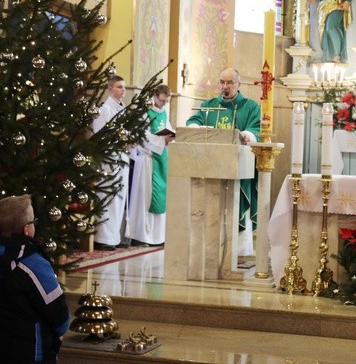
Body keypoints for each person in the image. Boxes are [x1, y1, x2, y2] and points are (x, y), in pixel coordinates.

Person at [0, 195, 70, 364]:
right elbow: (59, 316)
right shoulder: (33, 264)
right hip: (33, 353)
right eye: (33, 221)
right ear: (26, 230)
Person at [186, 68, 260, 253]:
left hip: (237, 169)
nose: (224, 87)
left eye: (229, 83)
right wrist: (195, 127)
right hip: (210, 168)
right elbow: (193, 121)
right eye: (222, 82)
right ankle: (209, 249)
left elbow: (256, 128)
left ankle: (239, 251)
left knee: (236, 208)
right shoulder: (208, 105)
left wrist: (246, 134)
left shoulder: (250, 107)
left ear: (238, 84)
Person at [127, 84, 175, 247]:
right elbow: (142, 135)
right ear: (155, 96)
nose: (163, 104)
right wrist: (162, 140)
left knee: (160, 196)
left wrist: (170, 136)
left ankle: (157, 236)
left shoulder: (163, 112)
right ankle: (141, 236)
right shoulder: (144, 112)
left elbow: (167, 128)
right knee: (145, 198)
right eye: (162, 101)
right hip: (147, 160)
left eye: (166, 101)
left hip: (161, 158)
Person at [91, 75, 131, 251]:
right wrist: (121, 143)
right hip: (109, 161)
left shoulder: (123, 110)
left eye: (124, 87)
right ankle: (103, 238)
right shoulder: (104, 110)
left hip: (122, 158)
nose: (123, 90)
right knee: (108, 198)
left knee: (119, 199)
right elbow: (100, 137)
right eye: (119, 87)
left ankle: (115, 237)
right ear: (109, 89)